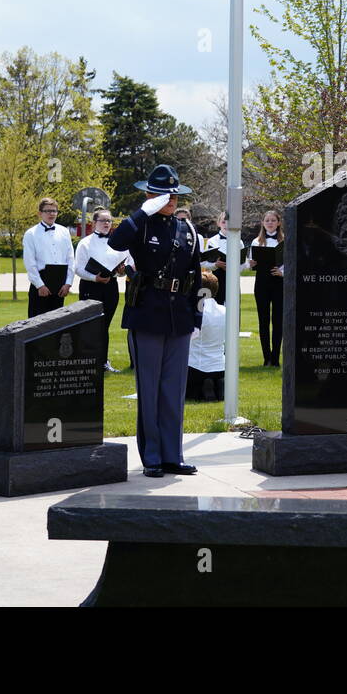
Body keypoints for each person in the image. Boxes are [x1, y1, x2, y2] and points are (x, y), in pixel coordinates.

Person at [108, 164, 202, 478]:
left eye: (174, 194)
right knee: (148, 390)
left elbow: (195, 274)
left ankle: (173, 454)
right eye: (163, 194)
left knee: (173, 389)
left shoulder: (186, 230)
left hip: (179, 317)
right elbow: (115, 242)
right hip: (147, 313)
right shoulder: (141, 226)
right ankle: (152, 457)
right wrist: (141, 212)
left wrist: (196, 316)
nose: (170, 199)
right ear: (150, 194)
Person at [74, 207, 131, 373]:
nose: (107, 223)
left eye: (109, 221)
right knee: (90, 325)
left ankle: (103, 362)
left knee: (104, 325)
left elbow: (122, 265)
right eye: (103, 220)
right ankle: (86, 361)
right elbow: (78, 269)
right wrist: (95, 278)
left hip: (110, 287)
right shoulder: (85, 243)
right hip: (90, 286)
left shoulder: (118, 242)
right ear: (94, 223)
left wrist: (121, 272)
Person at [22, 198, 73, 319]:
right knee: (36, 324)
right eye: (48, 211)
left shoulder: (64, 232)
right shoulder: (31, 233)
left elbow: (70, 258)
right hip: (40, 281)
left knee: (57, 324)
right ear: (40, 213)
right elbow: (30, 262)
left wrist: (68, 283)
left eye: (54, 211)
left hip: (60, 283)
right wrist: (39, 285)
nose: (52, 214)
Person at [248, 209, 285, 367]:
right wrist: (250, 263)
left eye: (273, 220)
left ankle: (276, 358)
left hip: (278, 282)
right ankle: (266, 358)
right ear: (263, 223)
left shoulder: (285, 240)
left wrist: (282, 271)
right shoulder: (256, 241)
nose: (270, 223)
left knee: (278, 321)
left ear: (278, 223)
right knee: (263, 321)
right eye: (267, 220)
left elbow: (292, 261)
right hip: (262, 282)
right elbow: (249, 263)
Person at [186, 270, 226, 401]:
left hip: (196, 366)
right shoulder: (225, 311)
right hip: (220, 365)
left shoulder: (195, 311)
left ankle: (205, 385)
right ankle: (216, 383)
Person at [201, 211, 246, 306]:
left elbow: (243, 264)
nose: (226, 225)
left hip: (233, 280)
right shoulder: (212, 241)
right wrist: (215, 265)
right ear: (218, 223)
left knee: (234, 308)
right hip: (217, 279)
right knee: (217, 307)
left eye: (229, 222)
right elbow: (204, 263)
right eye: (223, 222)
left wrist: (234, 267)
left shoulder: (239, 241)